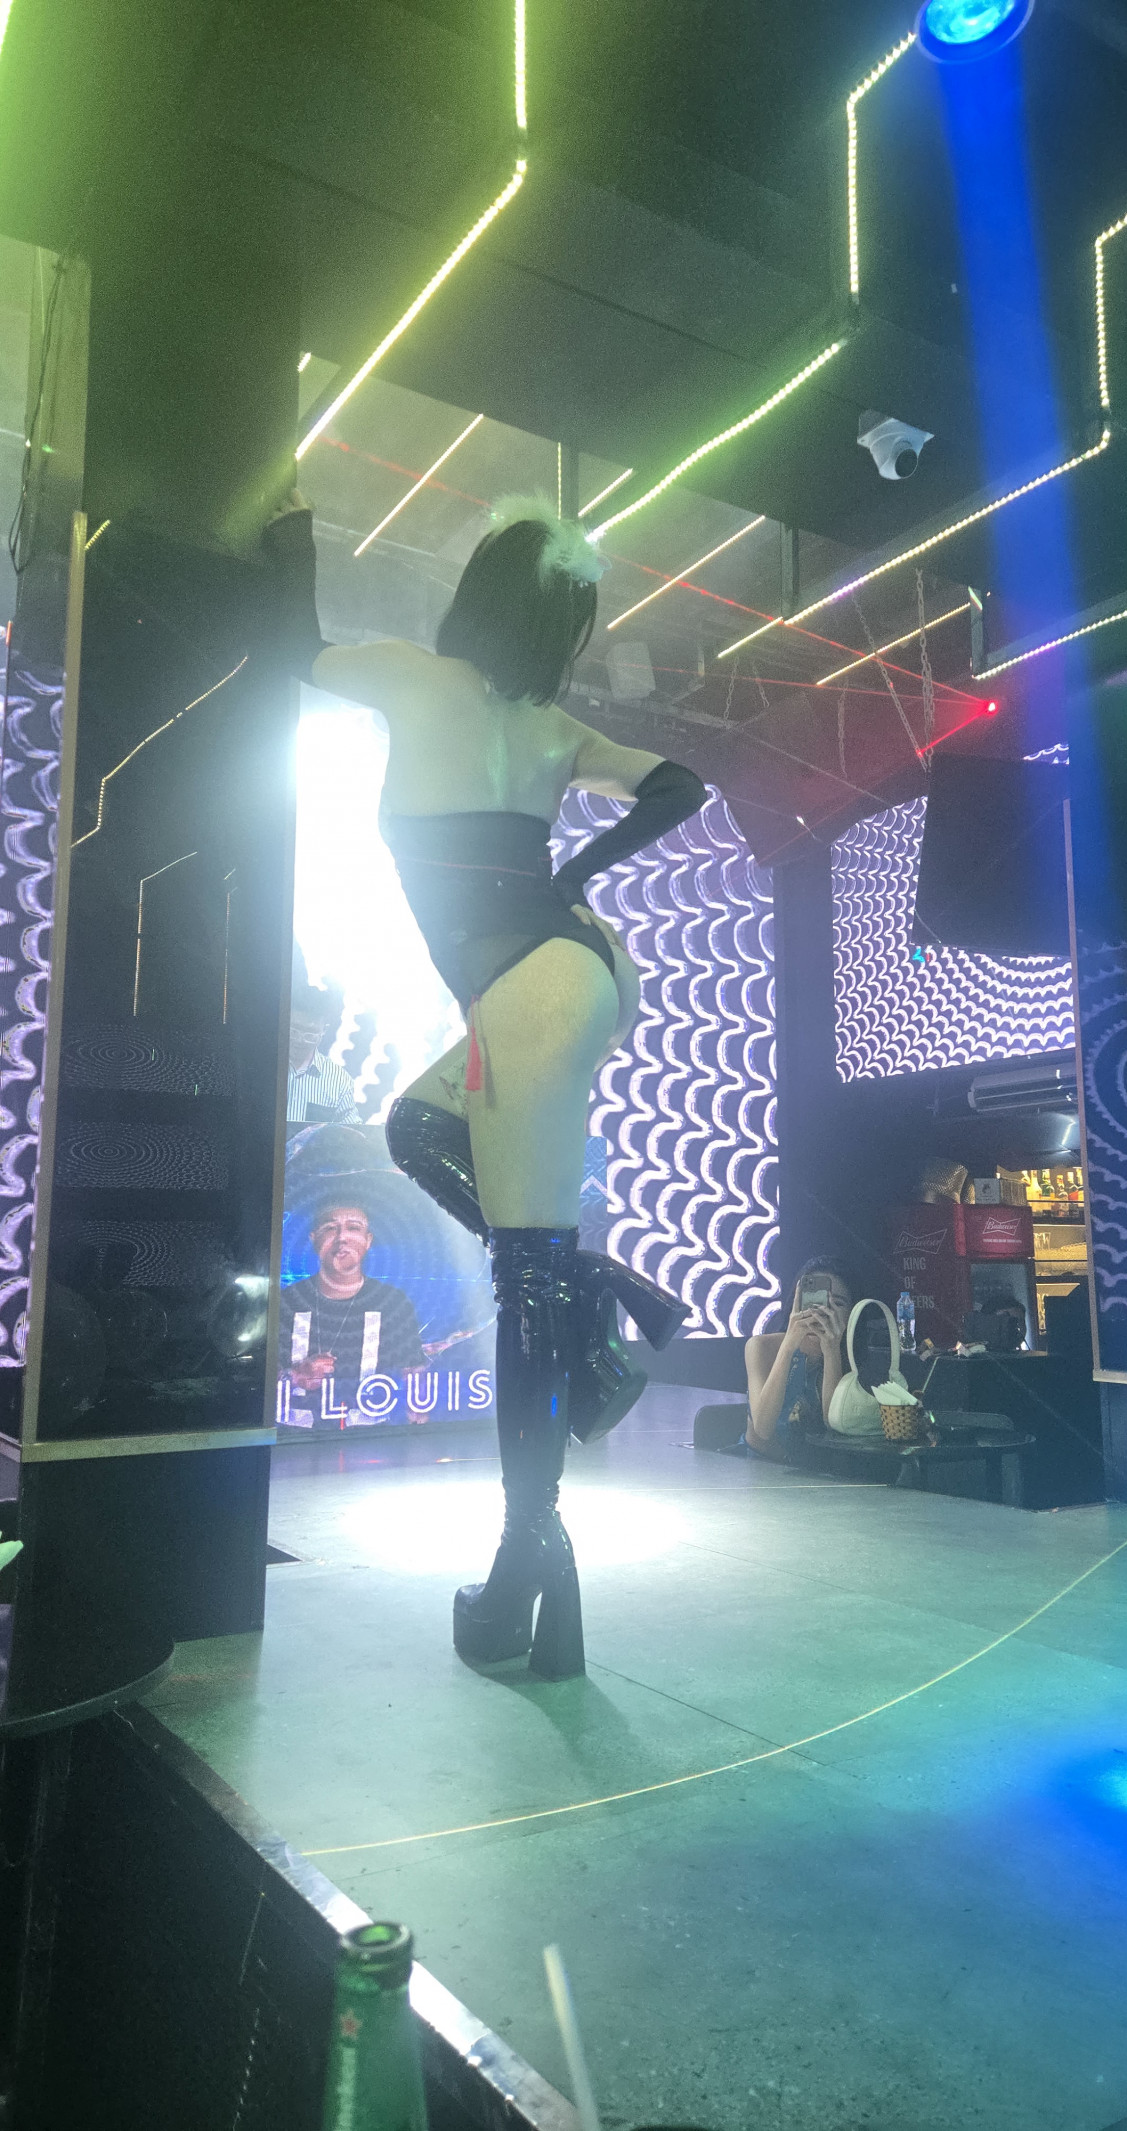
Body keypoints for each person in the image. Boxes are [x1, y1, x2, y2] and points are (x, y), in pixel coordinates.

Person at [262, 492, 706, 1679]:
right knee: (416, 1128)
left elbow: (293, 643)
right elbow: (680, 784)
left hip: (527, 990)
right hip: (574, 971)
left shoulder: (413, 678)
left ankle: (527, 1564)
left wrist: (292, 539)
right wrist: (580, 875)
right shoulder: (552, 728)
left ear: (479, 593)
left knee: (527, 1282)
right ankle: (605, 1302)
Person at [279, 1200, 426, 1416]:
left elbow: (414, 1378)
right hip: (293, 1432)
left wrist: (418, 1424)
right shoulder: (286, 1301)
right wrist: (294, 1376)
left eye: (354, 1228)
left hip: (374, 1433)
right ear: (313, 1238)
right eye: (330, 1228)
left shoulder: (393, 1303)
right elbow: (256, 1377)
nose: (342, 1238)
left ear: (368, 1240)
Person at [743, 1257, 854, 1461]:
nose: (824, 1312)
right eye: (817, 1301)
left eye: (837, 1304)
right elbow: (763, 1429)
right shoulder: (761, 1346)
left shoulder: (850, 1359)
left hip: (816, 1469)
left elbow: (833, 1428)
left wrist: (831, 1352)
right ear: (797, 1302)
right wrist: (789, 1343)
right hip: (757, 1465)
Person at [287, 986, 359, 1128]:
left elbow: (351, 1131)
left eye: (310, 1034)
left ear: (324, 1030)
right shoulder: (262, 1066)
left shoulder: (340, 1081)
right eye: (294, 1030)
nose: (300, 1040)